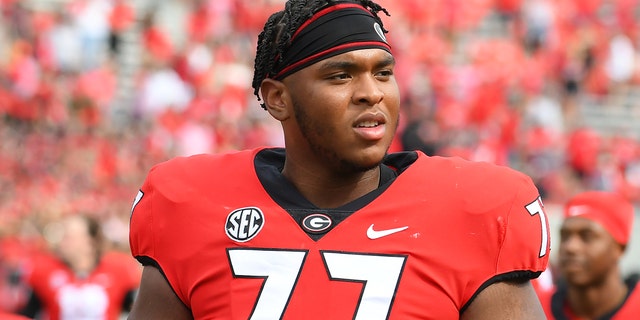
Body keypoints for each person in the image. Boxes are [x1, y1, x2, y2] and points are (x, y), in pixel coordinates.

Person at [127, 0, 551, 318]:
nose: (372, 92)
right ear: (278, 98)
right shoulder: (192, 204)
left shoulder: (472, 210)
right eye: (341, 75)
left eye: (383, 72)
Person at [538, 191, 640, 319]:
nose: (570, 247)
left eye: (587, 236)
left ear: (619, 248)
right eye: (565, 236)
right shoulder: (533, 309)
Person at [18, 214, 141, 320]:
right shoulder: (45, 272)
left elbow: (137, 310)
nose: (62, 242)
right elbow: (27, 314)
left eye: (68, 237)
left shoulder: (118, 270)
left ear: (90, 242)